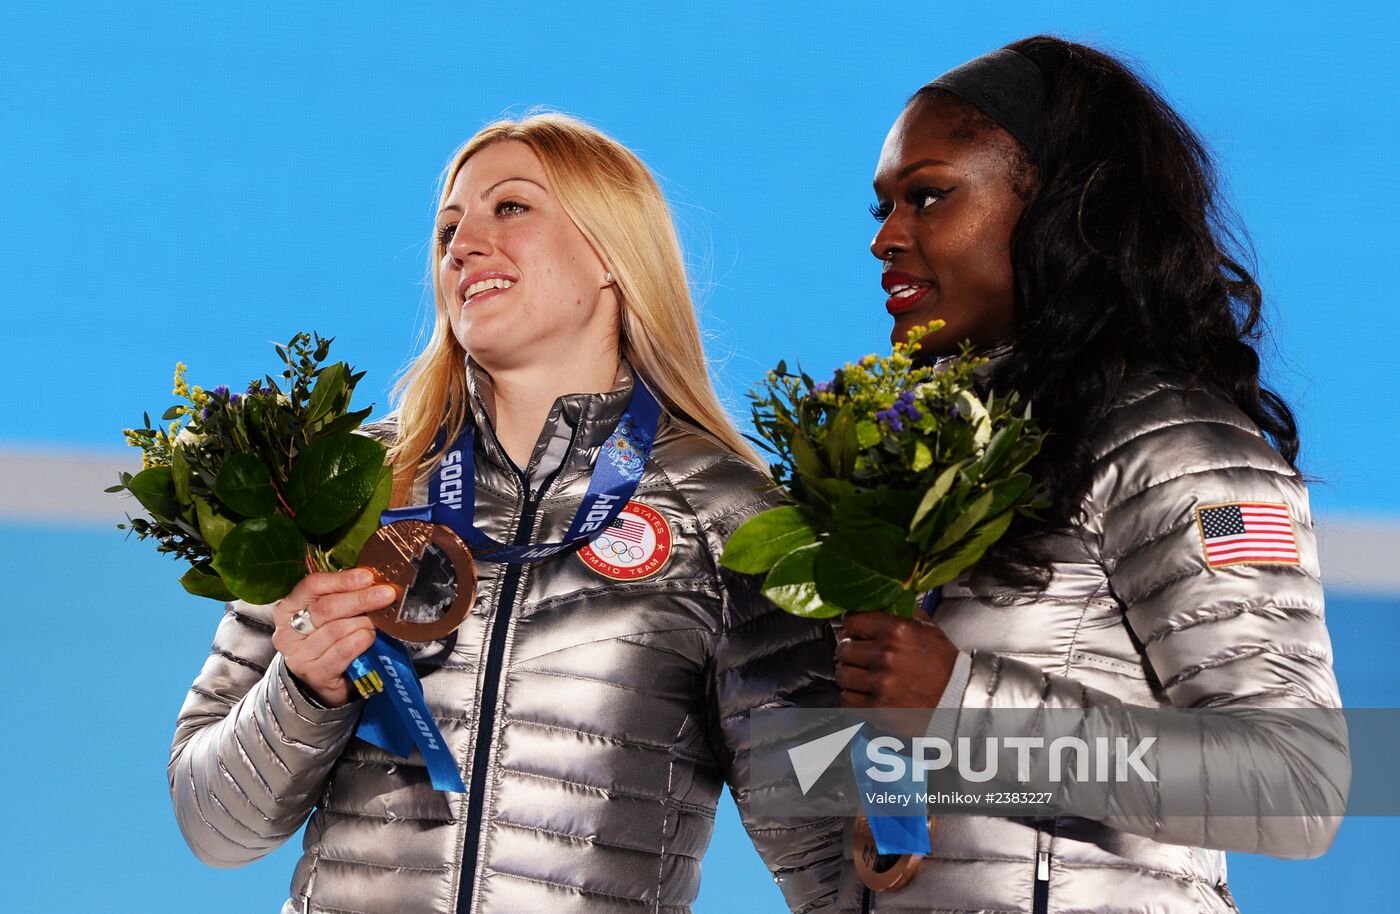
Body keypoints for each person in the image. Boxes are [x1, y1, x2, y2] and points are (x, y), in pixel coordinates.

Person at [168, 113, 843, 914]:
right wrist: (304, 687)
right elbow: (212, 828)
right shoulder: (344, 488)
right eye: (449, 226)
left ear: (611, 253)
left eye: (511, 208)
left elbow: (837, 850)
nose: (463, 245)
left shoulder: (723, 511)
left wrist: (962, 725)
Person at [833, 36, 1349, 912]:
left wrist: (960, 701)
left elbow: (1295, 782)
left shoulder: (1188, 452)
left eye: (929, 197)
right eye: (884, 207)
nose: (887, 238)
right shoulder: (968, 454)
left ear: (1065, 210)